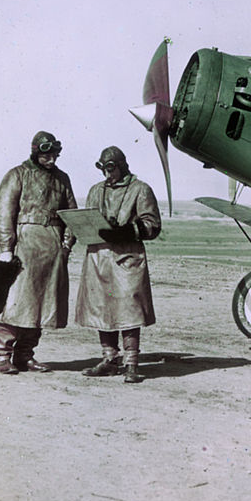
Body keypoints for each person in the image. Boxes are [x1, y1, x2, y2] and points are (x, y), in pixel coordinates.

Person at [0, 131, 77, 374]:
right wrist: (6, 249)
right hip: (24, 246)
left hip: (52, 249)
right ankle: (0, 356)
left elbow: (72, 214)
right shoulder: (17, 175)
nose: (52, 159)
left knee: (41, 305)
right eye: (47, 154)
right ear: (37, 151)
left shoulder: (62, 179)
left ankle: (25, 355)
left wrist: (66, 246)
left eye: (55, 155)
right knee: (14, 302)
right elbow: (3, 213)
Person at [77, 146, 161, 384]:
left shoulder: (140, 189)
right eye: (103, 168)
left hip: (127, 259)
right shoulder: (96, 191)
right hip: (98, 257)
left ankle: (132, 362)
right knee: (101, 308)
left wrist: (125, 232)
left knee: (129, 309)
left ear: (122, 165)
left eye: (111, 168)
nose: (107, 173)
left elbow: (153, 226)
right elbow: (87, 219)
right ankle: (109, 359)